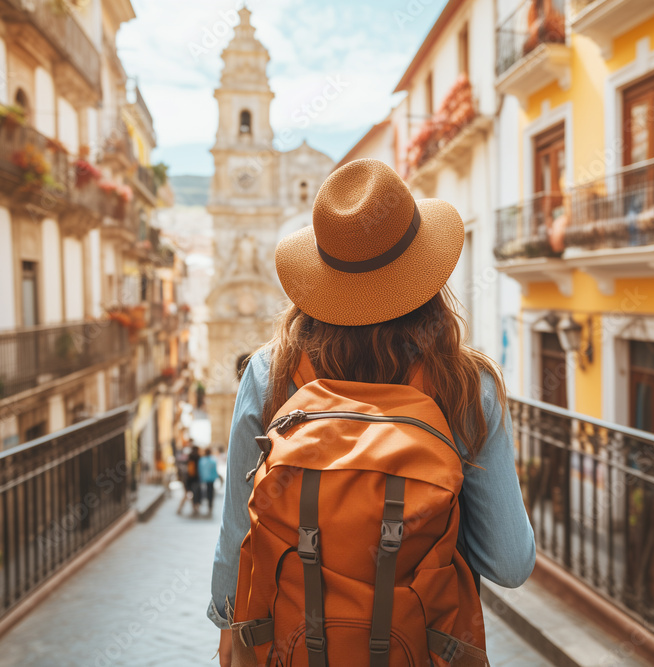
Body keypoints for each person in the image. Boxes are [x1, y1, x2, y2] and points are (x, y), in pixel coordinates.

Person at [208, 159, 535, 665]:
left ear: (321, 275)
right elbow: (510, 563)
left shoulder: (270, 373)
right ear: (424, 271)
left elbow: (238, 531)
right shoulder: (469, 384)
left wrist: (228, 626)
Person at [198, 447, 220, 514]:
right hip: (211, 479)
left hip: (204, 478)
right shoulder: (213, 460)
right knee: (210, 492)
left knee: (205, 492)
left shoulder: (202, 460)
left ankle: (206, 504)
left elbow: (200, 470)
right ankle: (210, 505)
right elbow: (215, 470)